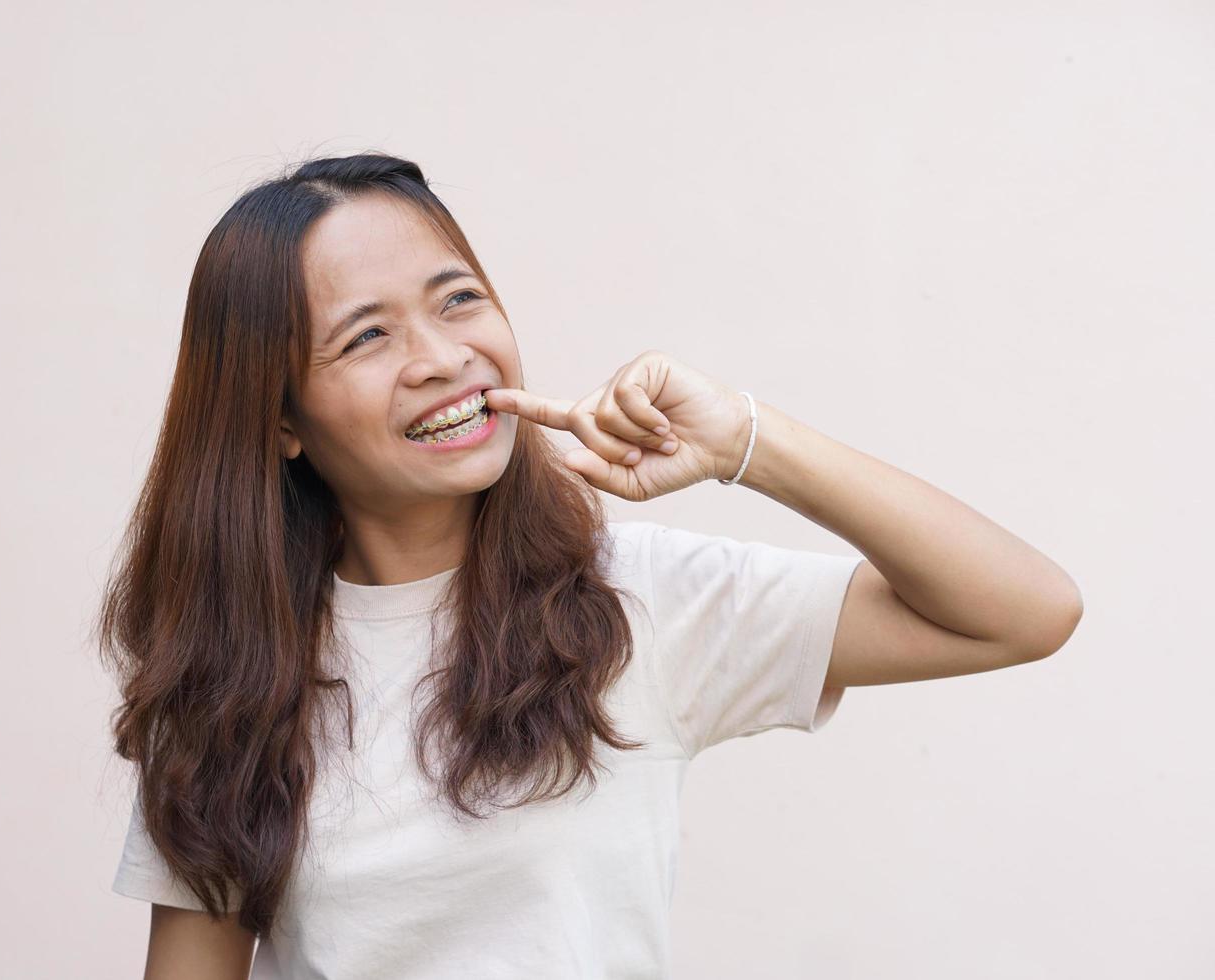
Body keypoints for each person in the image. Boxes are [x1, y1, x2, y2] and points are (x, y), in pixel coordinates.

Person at [98, 152, 1083, 979]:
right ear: (279, 419)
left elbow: (1023, 610)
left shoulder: (629, 600)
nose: (444, 356)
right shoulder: (232, 679)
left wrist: (746, 439)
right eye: (368, 335)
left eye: (459, 299)